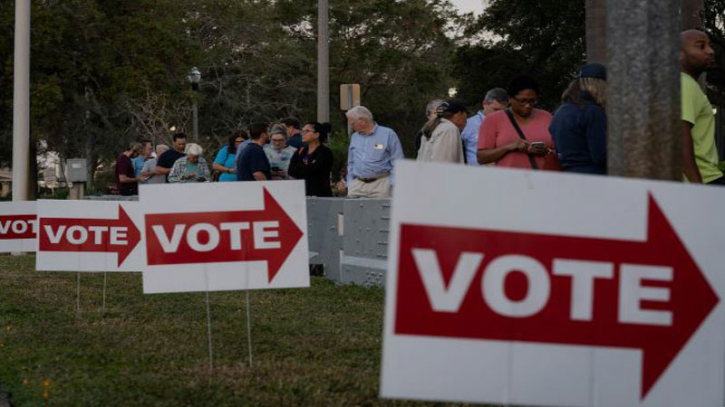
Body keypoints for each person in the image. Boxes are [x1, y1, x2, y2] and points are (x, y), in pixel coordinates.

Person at [477, 75, 559, 171]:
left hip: (543, 181)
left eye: (532, 101)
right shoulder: (493, 119)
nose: (528, 105)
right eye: (522, 101)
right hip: (509, 182)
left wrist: (547, 151)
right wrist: (509, 147)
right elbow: (481, 158)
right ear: (510, 99)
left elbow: (561, 152)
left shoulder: (547, 117)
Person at [549, 63, 608, 175]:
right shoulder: (592, 112)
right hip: (594, 176)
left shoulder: (561, 111)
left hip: (568, 175)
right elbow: (601, 155)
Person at [680, 29, 721, 184]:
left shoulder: (688, 84)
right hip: (703, 179)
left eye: (709, 45)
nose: (710, 51)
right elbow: (680, 136)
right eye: (700, 46)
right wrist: (698, 189)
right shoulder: (684, 85)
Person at [346, 106, 404, 198]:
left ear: (364, 120)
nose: (351, 127)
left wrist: (392, 183)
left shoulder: (388, 134)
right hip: (357, 184)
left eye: (353, 124)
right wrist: (350, 182)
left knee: (380, 212)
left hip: (381, 184)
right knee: (352, 211)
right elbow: (351, 162)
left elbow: (398, 161)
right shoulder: (355, 137)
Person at [461, 88, 508, 165]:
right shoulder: (468, 125)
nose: (499, 114)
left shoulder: (508, 125)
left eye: (503, 111)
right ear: (484, 104)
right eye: (495, 109)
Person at [288, 122, 334, 196]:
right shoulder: (301, 151)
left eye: (307, 131)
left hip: (320, 193)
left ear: (317, 134)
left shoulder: (325, 152)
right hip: (302, 193)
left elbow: (314, 170)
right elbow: (291, 171)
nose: (303, 134)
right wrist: (304, 168)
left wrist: (300, 168)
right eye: (302, 131)